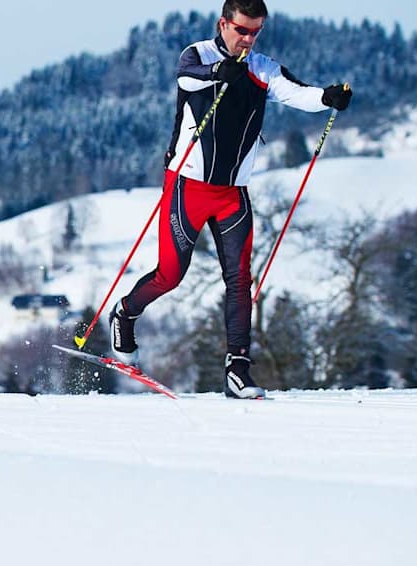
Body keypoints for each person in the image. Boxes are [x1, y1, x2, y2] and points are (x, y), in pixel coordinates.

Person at [108, 0, 352, 398]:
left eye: (256, 32)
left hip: (232, 195)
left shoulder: (263, 68)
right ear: (223, 23)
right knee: (170, 275)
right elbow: (187, 79)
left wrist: (327, 98)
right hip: (188, 187)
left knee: (240, 280)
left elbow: (297, 93)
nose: (249, 39)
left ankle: (238, 370)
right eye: (242, 30)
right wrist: (218, 73)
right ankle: (126, 312)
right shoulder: (198, 55)